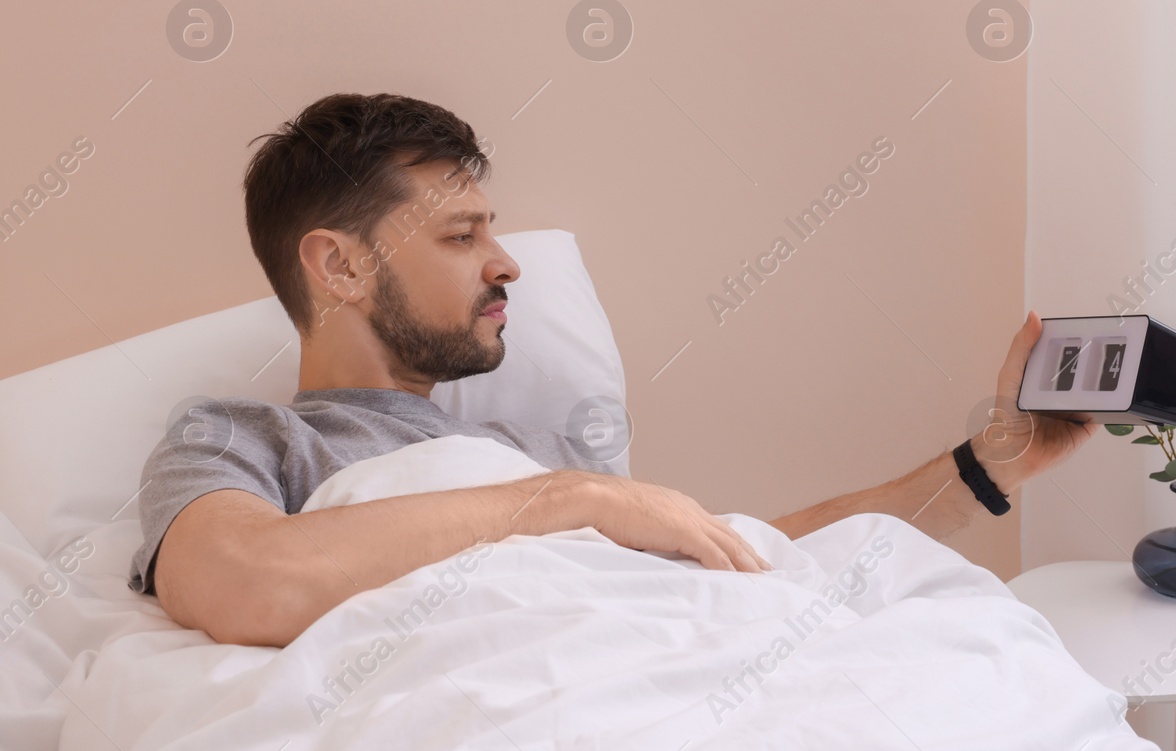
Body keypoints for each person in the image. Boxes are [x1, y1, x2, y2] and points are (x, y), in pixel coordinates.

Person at [130, 93, 1096, 647]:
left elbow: (748, 550)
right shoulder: (238, 437)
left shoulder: (505, 457)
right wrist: (563, 500)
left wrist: (995, 456)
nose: (507, 263)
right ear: (339, 265)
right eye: (463, 235)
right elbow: (238, 578)